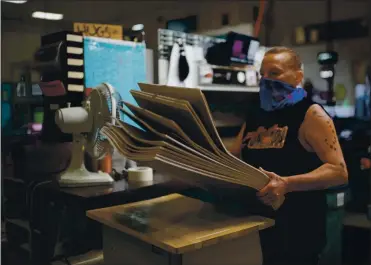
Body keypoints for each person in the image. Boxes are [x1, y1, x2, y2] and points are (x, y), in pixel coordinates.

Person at [229, 47, 348, 265]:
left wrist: (287, 183)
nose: (266, 80)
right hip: (258, 224)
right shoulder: (256, 114)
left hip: (298, 229)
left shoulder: (312, 114)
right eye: (262, 74)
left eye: (274, 73)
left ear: (298, 76)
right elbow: (234, 156)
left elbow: (338, 171)